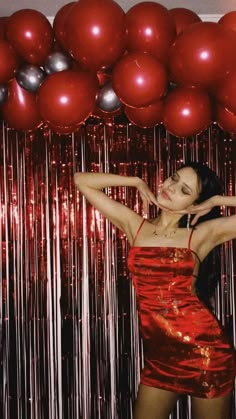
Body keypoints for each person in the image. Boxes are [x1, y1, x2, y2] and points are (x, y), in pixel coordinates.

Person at [74, 162, 236, 419]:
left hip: (204, 354)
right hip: (159, 358)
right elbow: (81, 180)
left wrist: (217, 199)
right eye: (173, 178)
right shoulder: (136, 226)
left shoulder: (202, 233)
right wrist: (136, 181)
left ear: (194, 204)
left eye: (184, 190)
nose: (171, 188)